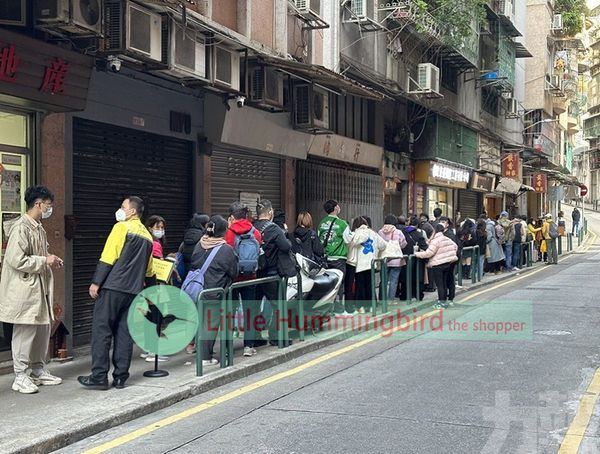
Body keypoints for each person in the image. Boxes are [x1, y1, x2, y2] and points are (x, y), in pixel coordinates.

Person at [78, 196, 156, 390]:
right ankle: (121, 377)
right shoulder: (148, 237)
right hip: (134, 291)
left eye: (123, 206)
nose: (120, 210)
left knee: (102, 331)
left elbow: (108, 256)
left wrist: (96, 282)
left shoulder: (121, 228)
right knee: (124, 333)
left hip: (113, 288)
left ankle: (99, 376)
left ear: (132, 211)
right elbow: (150, 270)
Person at [0, 186, 63, 394]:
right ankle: (20, 375)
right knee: (25, 331)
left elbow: (40, 255)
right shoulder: (21, 227)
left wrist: (50, 259)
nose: (49, 209)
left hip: (38, 288)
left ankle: (37, 370)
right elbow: (15, 259)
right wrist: (44, 260)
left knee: (41, 329)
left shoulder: (38, 227)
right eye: (48, 205)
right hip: (25, 289)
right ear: (38, 204)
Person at [191, 216, 239, 366]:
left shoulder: (199, 244)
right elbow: (234, 272)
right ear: (223, 231)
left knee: (200, 322)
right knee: (210, 324)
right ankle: (205, 357)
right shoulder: (226, 250)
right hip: (215, 292)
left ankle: (200, 352)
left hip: (197, 290)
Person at [224, 201, 264, 357]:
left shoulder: (229, 233)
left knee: (230, 312)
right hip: (250, 277)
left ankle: (227, 348)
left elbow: (226, 255)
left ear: (232, 217)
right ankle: (248, 346)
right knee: (250, 311)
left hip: (233, 279)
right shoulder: (256, 232)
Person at [254, 200, 296, 344]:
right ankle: (276, 336)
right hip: (271, 273)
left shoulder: (252, 227)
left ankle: (254, 338)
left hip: (254, 274)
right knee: (278, 306)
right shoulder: (273, 228)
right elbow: (285, 246)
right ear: (270, 212)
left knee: (254, 306)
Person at [142, 215, 170, 362]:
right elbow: (158, 266)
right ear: (149, 228)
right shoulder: (155, 245)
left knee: (149, 316)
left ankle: (148, 349)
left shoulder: (145, 242)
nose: (160, 230)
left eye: (162, 228)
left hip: (146, 285)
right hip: (157, 285)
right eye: (157, 227)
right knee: (156, 317)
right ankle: (153, 352)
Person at [317, 199, 352, 316]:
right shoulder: (342, 224)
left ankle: (328, 310)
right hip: (338, 258)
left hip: (325, 258)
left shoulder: (321, 223)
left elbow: (318, 240)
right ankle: (339, 310)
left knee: (327, 285)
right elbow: (348, 239)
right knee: (339, 284)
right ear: (336, 208)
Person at [346, 216, 387, 313]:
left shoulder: (354, 234)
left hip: (359, 264)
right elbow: (383, 245)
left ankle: (361, 307)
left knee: (360, 286)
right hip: (371, 263)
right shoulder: (373, 233)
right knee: (370, 285)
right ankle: (372, 306)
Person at [415, 224, 458, 309]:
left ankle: (441, 302)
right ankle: (444, 301)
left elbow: (429, 253)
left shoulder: (436, 241)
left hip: (438, 264)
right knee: (444, 283)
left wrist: (417, 254)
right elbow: (455, 246)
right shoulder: (447, 239)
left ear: (435, 231)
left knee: (440, 284)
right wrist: (448, 255)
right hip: (447, 264)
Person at [378, 214, 408, 301]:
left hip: (384, 259)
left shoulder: (380, 232)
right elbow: (403, 244)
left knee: (383, 280)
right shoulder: (398, 232)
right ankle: (391, 299)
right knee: (393, 281)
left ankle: (382, 299)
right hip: (396, 259)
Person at [399, 216, 428, 301]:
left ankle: (404, 295)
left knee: (405, 277)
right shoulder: (419, 235)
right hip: (416, 260)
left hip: (404, 258)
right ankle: (418, 295)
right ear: (417, 225)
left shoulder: (402, 233)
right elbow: (424, 247)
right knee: (417, 277)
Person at [178, 213, 210, 280]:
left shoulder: (187, 233)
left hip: (186, 267)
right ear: (204, 224)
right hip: (198, 269)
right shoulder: (203, 236)